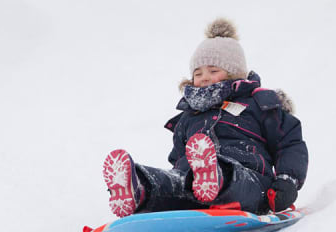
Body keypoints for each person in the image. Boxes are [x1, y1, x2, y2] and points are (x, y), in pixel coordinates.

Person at [102, 18, 308, 218]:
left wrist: (286, 180)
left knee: (234, 177)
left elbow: (289, 144)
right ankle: (139, 188)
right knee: (176, 182)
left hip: (251, 181)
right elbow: (178, 158)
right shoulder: (188, 116)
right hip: (195, 181)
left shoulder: (259, 104)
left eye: (213, 70)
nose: (204, 77)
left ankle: (215, 177)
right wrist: (180, 175)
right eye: (198, 73)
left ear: (235, 74)